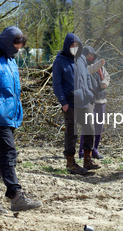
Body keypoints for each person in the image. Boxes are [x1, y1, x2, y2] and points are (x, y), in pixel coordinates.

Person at [0, 26, 42, 213]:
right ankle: (15, 195)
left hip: (8, 116)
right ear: (7, 42)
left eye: (20, 48)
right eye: (16, 47)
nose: (17, 51)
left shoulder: (9, 58)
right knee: (8, 153)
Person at [52, 33, 101, 174]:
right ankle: (70, 163)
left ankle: (87, 159)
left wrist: (90, 93)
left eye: (77, 45)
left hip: (85, 101)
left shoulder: (81, 59)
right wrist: (63, 102)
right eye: (72, 46)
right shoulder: (59, 61)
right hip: (70, 103)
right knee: (71, 133)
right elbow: (57, 84)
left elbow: (87, 76)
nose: (75, 48)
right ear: (67, 46)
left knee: (90, 129)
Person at [78, 46, 109, 160]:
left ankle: (95, 149)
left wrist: (104, 83)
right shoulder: (82, 66)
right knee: (88, 127)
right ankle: (82, 150)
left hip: (101, 99)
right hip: (89, 101)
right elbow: (90, 69)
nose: (89, 57)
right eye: (87, 55)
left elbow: (107, 76)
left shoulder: (101, 67)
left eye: (91, 54)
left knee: (98, 127)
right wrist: (98, 65)